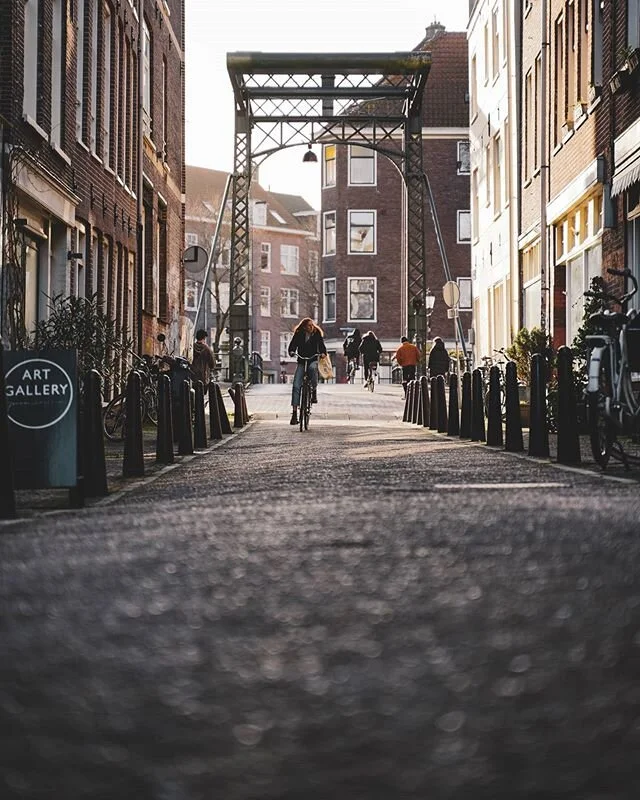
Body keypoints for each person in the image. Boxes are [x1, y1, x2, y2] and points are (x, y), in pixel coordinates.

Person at [287, 317, 327, 425]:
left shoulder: (317, 333)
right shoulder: (299, 333)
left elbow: (322, 345)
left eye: (312, 325)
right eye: (309, 326)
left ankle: (313, 390)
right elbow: (293, 345)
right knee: (296, 385)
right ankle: (295, 413)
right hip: (301, 360)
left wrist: (323, 353)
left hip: (312, 359)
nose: (311, 327)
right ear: (304, 327)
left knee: (312, 369)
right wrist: (291, 351)